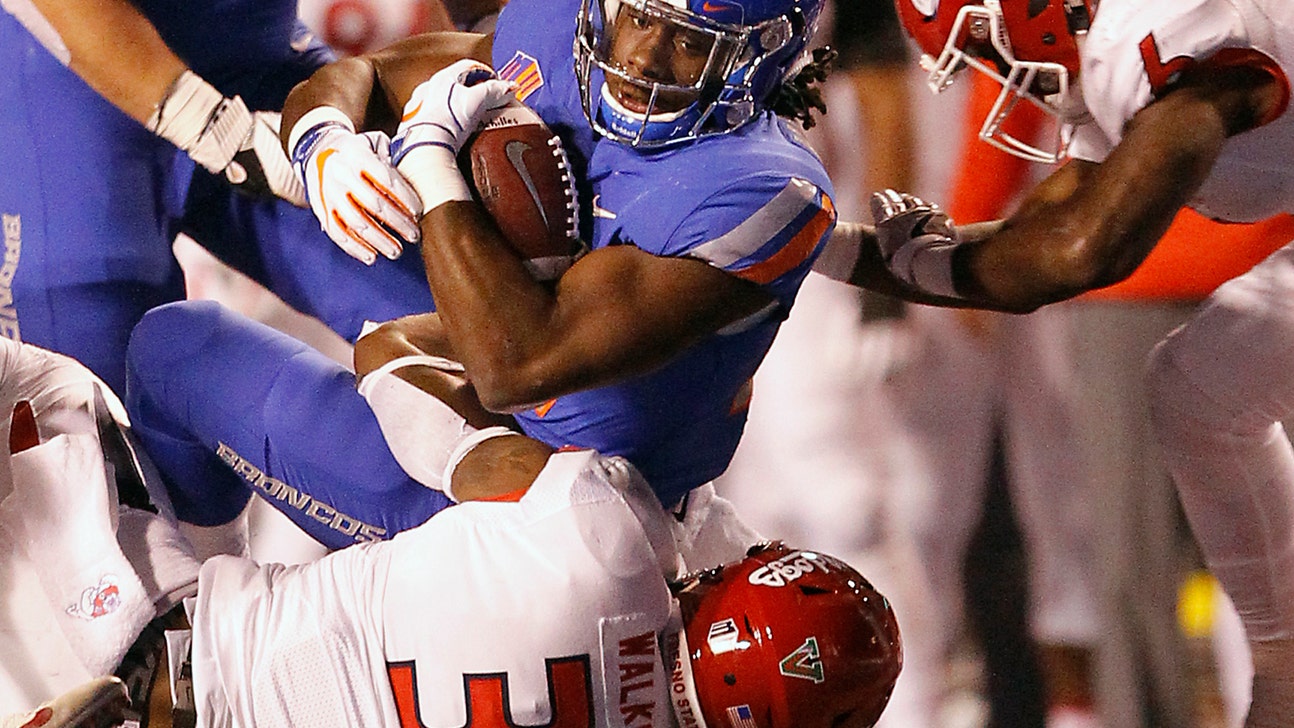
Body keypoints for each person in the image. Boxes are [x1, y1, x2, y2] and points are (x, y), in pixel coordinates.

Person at [123, 0, 838, 553]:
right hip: (500, 450)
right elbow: (369, 73)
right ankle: (195, 611)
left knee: (173, 358)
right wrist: (324, 145)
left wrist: (430, 154)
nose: (645, 54)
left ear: (760, 62)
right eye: (638, 13)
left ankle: (190, 645)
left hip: (570, 520)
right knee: (182, 347)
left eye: (689, 39)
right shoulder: (561, 35)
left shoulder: (749, 188)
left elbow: (516, 366)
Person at [0, 335, 903, 728]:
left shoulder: (608, 543)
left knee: (53, 385)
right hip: (179, 686)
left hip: (159, 652)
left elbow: (394, 374)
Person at [812, 0, 1294, 724]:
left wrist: (831, 249)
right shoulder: (1107, 51)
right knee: (1197, 392)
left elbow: (1079, 251)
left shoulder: (1148, 39)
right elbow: (1055, 213)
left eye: (983, 44)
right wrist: (860, 251)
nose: (998, 74)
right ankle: (1285, 669)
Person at [0, 0, 445, 395]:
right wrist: (222, 135)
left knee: (465, 316)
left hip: (255, 56)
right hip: (71, 79)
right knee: (84, 428)